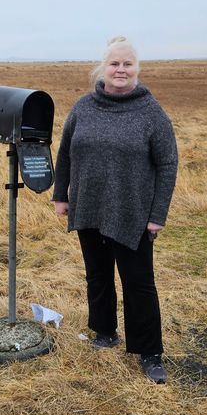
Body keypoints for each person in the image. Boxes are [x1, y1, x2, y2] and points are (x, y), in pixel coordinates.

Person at [52, 36, 178, 384]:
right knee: (98, 275)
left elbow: (167, 164)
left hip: (132, 212)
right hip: (88, 206)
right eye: (114, 63)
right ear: (103, 67)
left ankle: (149, 353)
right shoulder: (84, 107)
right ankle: (104, 332)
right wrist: (61, 194)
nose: (120, 70)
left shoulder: (151, 112)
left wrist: (157, 215)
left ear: (137, 69)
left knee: (139, 284)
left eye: (127, 64)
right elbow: (65, 153)